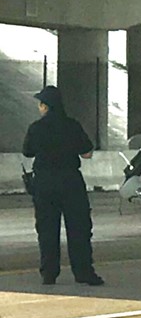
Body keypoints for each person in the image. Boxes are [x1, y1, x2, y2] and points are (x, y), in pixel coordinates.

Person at [22, 86, 104, 286]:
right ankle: (83, 272)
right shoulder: (72, 125)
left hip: (44, 182)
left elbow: (27, 153)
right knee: (79, 228)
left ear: (45, 106)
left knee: (47, 229)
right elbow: (87, 153)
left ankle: (49, 274)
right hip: (70, 181)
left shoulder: (36, 127)